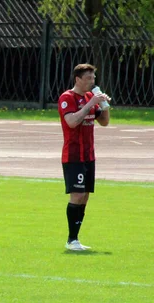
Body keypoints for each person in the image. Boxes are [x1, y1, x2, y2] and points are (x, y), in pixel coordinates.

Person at [58, 63, 111, 251]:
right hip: (74, 155)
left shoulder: (90, 97)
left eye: (93, 78)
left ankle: (76, 239)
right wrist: (90, 104)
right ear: (78, 79)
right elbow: (71, 122)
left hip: (89, 155)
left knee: (85, 196)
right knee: (77, 194)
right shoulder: (67, 97)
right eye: (88, 78)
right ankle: (71, 240)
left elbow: (104, 122)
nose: (92, 82)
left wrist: (104, 105)